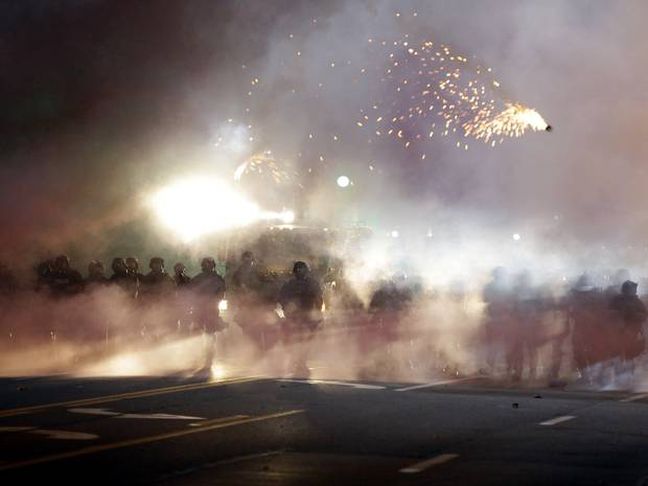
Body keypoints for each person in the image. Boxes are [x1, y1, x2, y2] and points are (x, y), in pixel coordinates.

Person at [278, 261, 323, 376]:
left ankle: (301, 361)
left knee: (307, 340)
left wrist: (317, 313)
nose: (300, 271)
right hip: (295, 316)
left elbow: (319, 299)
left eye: (302, 269)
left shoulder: (312, 283)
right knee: (292, 339)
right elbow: (282, 298)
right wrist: (287, 309)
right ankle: (296, 360)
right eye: (298, 269)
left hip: (307, 316)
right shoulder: (289, 284)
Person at [191, 257, 227, 368]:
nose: (207, 266)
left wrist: (214, 301)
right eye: (205, 264)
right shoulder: (197, 278)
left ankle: (209, 356)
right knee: (197, 331)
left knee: (210, 332)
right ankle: (198, 355)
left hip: (211, 308)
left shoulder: (217, 279)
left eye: (209, 264)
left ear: (213, 266)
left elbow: (221, 293)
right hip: (199, 309)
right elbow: (192, 292)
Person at [609, 280, 647, 376]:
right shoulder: (617, 300)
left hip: (631, 334)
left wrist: (633, 315)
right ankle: (621, 375)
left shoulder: (636, 302)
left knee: (629, 355)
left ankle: (627, 376)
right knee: (619, 354)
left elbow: (644, 316)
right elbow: (608, 313)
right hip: (619, 333)